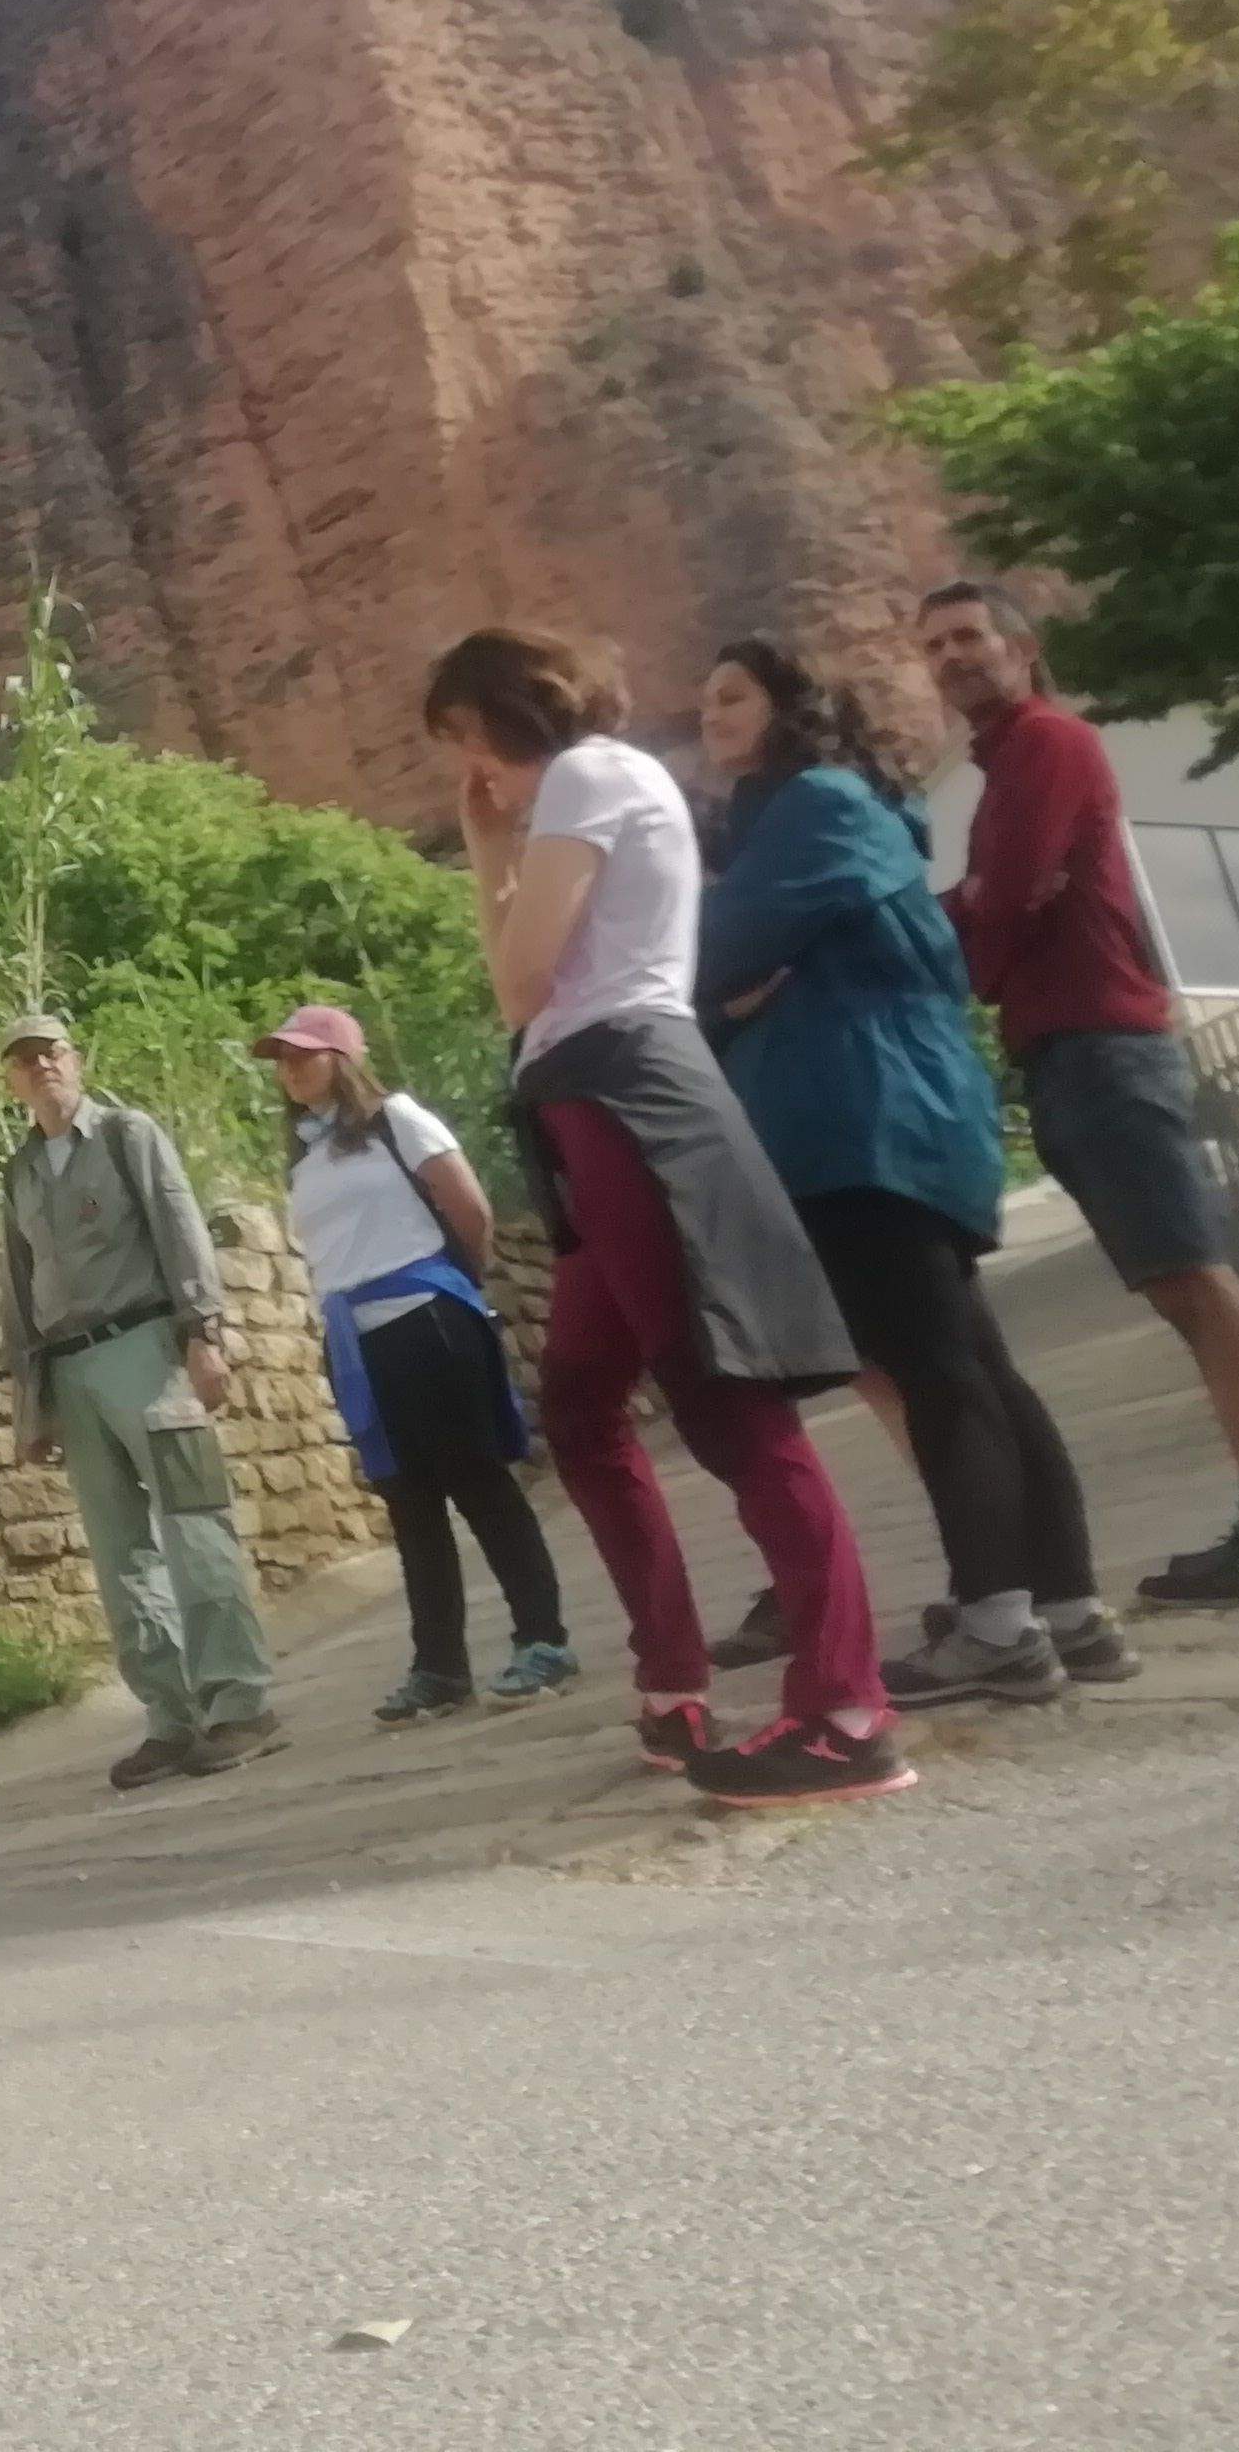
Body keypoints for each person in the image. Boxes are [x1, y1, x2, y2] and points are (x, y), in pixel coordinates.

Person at [422, 632, 912, 1809]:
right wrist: (495, 846)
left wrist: (493, 845)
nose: (462, 763)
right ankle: (670, 1679)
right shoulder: (599, 787)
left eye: (458, 736)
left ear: (494, 718)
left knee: (722, 1400)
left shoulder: (587, 775)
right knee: (585, 1405)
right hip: (592, 1101)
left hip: (625, 1094)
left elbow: (518, 985)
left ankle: (846, 1710)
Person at [698, 639, 1136, 1707]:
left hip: (859, 1120)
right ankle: (1067, 1611)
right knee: (970, 1366)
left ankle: (994, 1624)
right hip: (898, 1114)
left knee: (936, 1377)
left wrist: (719, 984)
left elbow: (702, 950)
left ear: (789, 708)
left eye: (730, 696)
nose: (707, 716)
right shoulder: (844, 813)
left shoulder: (812, 806)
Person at [919, 581, 1239, 1606]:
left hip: (1103, 1044)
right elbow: (988, 901)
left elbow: (1012, 891)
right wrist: (968, 905)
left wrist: (963, 914)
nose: (951, 657)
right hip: (1071, 1050)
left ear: (1020, 647)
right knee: (1177, 1286)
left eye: (968, 637)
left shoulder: (1047, 746)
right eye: (933, 646)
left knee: (1195, 1281)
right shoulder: (1002, 765)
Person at [251, 1010, 575, 1725]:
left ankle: (542, 1640)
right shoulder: (303, 1156)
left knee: (479, 1482)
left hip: (426, 1317)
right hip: (357, 1342)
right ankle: (439, 1667)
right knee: (411, 1506)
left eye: (305, 1054)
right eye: (282, 1058)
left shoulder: (398, 1120)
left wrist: (448, 1284)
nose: (291, 1068)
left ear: (343, 1056)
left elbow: (470, 1210)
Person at [0, 1018, 284, 1786]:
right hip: (71, 1369)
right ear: (12, 1083)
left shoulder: (127, 1134)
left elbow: (180, 1223)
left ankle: (240, 1703)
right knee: (120, 1556)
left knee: (194, 1529)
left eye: (52, 1052)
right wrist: (33, 1401)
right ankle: (170, 1717)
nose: (42, 1066)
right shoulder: (19, 1172)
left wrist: (205, 1333)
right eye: (25, 1061)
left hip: (148, 1346)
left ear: (75, 1060)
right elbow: (19, 1291)